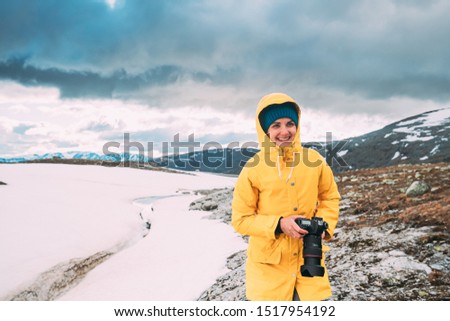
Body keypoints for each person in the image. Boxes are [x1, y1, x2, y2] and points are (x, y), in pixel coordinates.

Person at [231, 92, 340, 301]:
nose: (284, 131)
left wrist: (324, 226)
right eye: (276, 125)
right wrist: (279, 225)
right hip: (268, 276)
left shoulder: (314, 160)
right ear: (265, 130)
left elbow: (330, 197)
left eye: (290, 123)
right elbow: (241, 220)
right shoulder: (253, 168)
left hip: (309, 265)